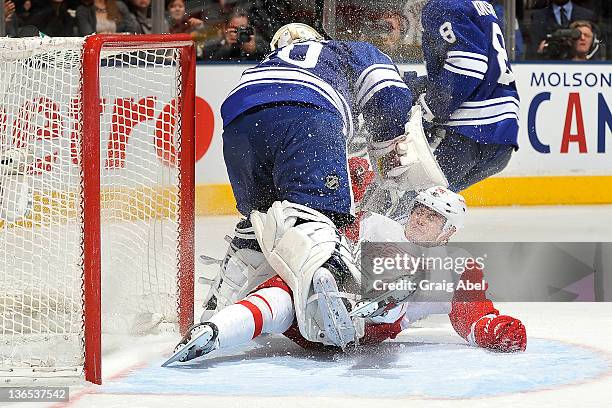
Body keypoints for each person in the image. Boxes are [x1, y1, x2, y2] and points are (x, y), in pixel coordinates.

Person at [169, 22, 424, 361]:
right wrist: (387, 140)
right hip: (306, 113)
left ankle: (218, 309)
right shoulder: (343, 50)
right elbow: (389, 92)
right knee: (319, 217)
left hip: (238, 122)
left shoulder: (268, 62)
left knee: (261, 221)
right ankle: (327, 278)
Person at [164, 182, 526, 365]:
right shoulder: (375, 225)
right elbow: (328, 233)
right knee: (286, 291)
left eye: (433, 217)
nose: (420, 217)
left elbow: (472, 315)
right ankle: (213, 333)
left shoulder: (456, 266)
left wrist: (493, 330)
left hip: (368, 331)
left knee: (395, 289)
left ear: (449, 232)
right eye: (419, 209)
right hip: (312, 322)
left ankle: (371, 304)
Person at [530, 0, 596, 58]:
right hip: (548, 64)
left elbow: (595, 48)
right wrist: (539, 53)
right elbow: (534, 47)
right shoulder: (538, 16)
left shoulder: (587, 15)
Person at [201, 9, 268, 61]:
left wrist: (254, 50)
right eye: (235, 29)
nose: (239, 33)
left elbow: (271, 56)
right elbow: (208, 64)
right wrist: (226, 47)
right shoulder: (213, 44)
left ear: (249, 28)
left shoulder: (258, 42)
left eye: (242, 29)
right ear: (225, 28)